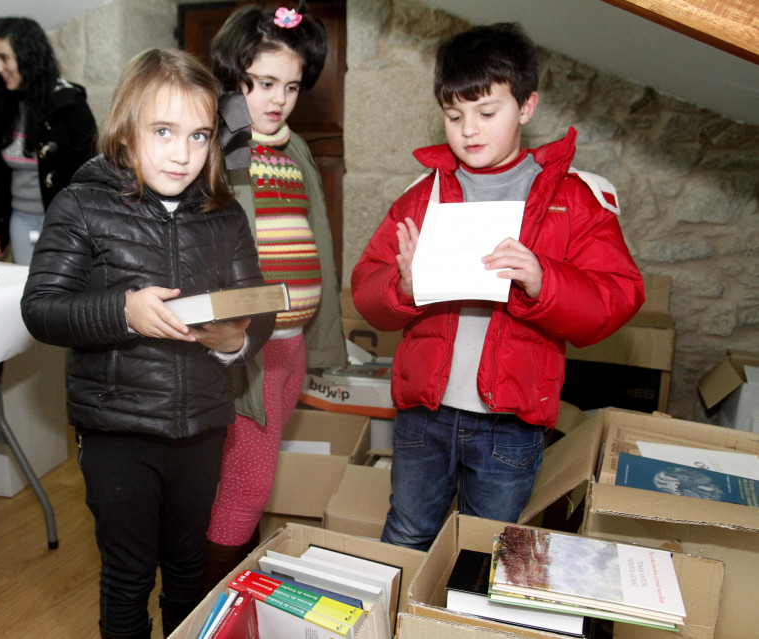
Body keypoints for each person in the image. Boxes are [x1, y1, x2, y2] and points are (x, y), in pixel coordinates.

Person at [351, 23, 644, 551]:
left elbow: (618, 295)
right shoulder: (424, 194)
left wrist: (543, 280)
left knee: (487, 550)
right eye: (454, 115)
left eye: (487, 112)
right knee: (408, 533)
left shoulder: (571, 198)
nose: (469, 130)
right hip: (425, 412)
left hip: (509, 421)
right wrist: (403, 285)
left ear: (526, 107)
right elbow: (365, 289)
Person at [20, 48, 274, 639]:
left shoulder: (225, 213)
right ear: (128, 128)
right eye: (163, 131)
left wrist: (234, 340)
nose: (181, 153)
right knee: (129, 576)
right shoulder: (81, 204)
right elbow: (41, 310)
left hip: (203, 428)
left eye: (198, 135)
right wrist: (124, 311)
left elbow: (254, 306)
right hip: (118, 432)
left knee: (189, 570)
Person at [204, 2, 347, 583]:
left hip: (293, 346)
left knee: (245, 481)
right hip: (248, 353)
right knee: (249, 480)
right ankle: (213, 600)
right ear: (233, 78)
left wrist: (326, 344)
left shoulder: (296, 151)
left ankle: (232, 590)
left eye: (289, 86)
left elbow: (322, 247)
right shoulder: (217, 151)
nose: (277, 99)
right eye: (262, 83)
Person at [0, 16, 97, 265]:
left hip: (62, 220)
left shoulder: (68, 104)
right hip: (19, 219)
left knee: (60, 294)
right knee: (26, 292)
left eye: (4, 58)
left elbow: (90, 174)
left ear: (28, 56)